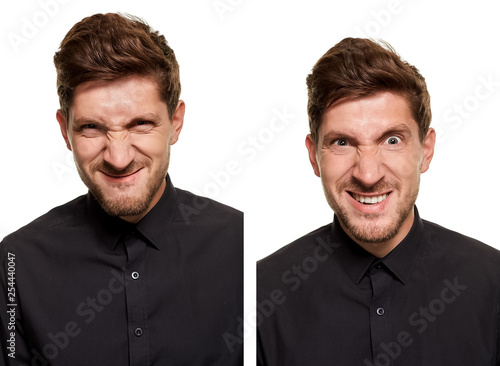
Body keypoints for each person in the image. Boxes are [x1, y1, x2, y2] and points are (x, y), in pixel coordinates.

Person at [0, 13, 242, 365]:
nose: (118, 157)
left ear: (175, 122)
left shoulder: (241, 245)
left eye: (140, 124)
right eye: (92, 128)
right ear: (65, 131)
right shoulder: (14, 263)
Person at [257, 38, 500, 365]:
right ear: (314, 157)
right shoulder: (260, 296)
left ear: (425, 150)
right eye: (342, 142)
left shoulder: (493, 284)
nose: (368, 174)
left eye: (392, 139)